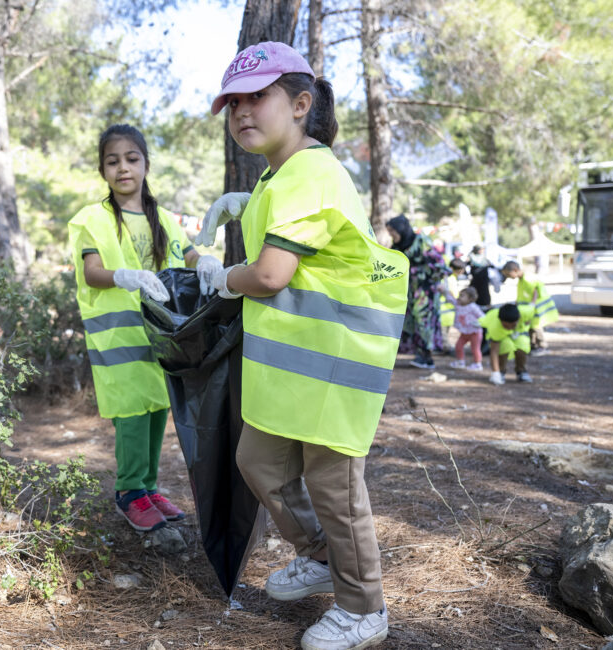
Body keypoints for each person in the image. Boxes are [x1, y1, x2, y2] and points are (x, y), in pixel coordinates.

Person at [195, 42, 408, 650]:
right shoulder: (280, 175)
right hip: (297, 366)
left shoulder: (310, 173)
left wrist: (222, 276)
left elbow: (267, 276)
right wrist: (250, 204)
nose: (242, 112)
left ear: (300, 103)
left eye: (257, 97)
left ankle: (365, 606)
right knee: (257, 460)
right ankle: (318, 555)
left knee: (335, 487)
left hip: (336, 360)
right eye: (233, 102)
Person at [68, 124, 223, 532]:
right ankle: (129, 491)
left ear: (146, 165)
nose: (123, 168)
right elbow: (93, 271)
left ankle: (149, 488)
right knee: (133, 416)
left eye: (132, 159)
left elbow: (187, 254)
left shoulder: (164, 219)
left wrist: (205, 260)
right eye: (113, 161)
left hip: (160, 336)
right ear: (102, 170)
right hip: (120, 339)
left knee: (156, 410)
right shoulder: (93, 220)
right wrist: (126, 276)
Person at [386, 214, 449, 370]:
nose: (391, 235)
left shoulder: (420, 242)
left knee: (423, 321)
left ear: (401, 229)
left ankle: (427, 357)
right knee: (411, 322)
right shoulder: (397, 246)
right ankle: (420, 355)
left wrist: (433, 279)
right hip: (408, 292)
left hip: (424, 290)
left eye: (393, 231)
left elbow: (439, 264)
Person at [500, 260, 558, 354]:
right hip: (529, 308)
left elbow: (534, 291)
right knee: (530, 326)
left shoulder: (527, 279)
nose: (508, 277)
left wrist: (532, 305)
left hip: (535, 307)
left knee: (536, 326)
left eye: (508, 274)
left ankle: (542, 346)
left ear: (515, 270)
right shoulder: (522, 279)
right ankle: (533, 345)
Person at [479, 302, 536, 385]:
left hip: (518, 333)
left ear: (519, 318)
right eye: (506, 326)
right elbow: (494, 351)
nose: (509, 328)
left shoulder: (525, 312)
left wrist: (528, 320)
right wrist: (495, 372)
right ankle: (500, 372)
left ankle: (522, 371)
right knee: (505, 346)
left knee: (522, 346)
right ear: (500, 321)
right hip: (500, 334)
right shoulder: (495, 326)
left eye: (512, 325)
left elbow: (533, 308)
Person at [447, 287, 485, 370]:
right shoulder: (458, 304)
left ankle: (477, 364)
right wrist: (445, 291)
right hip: (464, 332)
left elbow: (482, 316)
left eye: (462, 296)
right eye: (460, 295)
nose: (459, 297)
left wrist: (479, 323)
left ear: (470, 298)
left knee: (475, 349)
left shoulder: (473, 307)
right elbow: (450, 299)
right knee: (458, 346)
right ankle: (460, 361)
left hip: (475, 332)